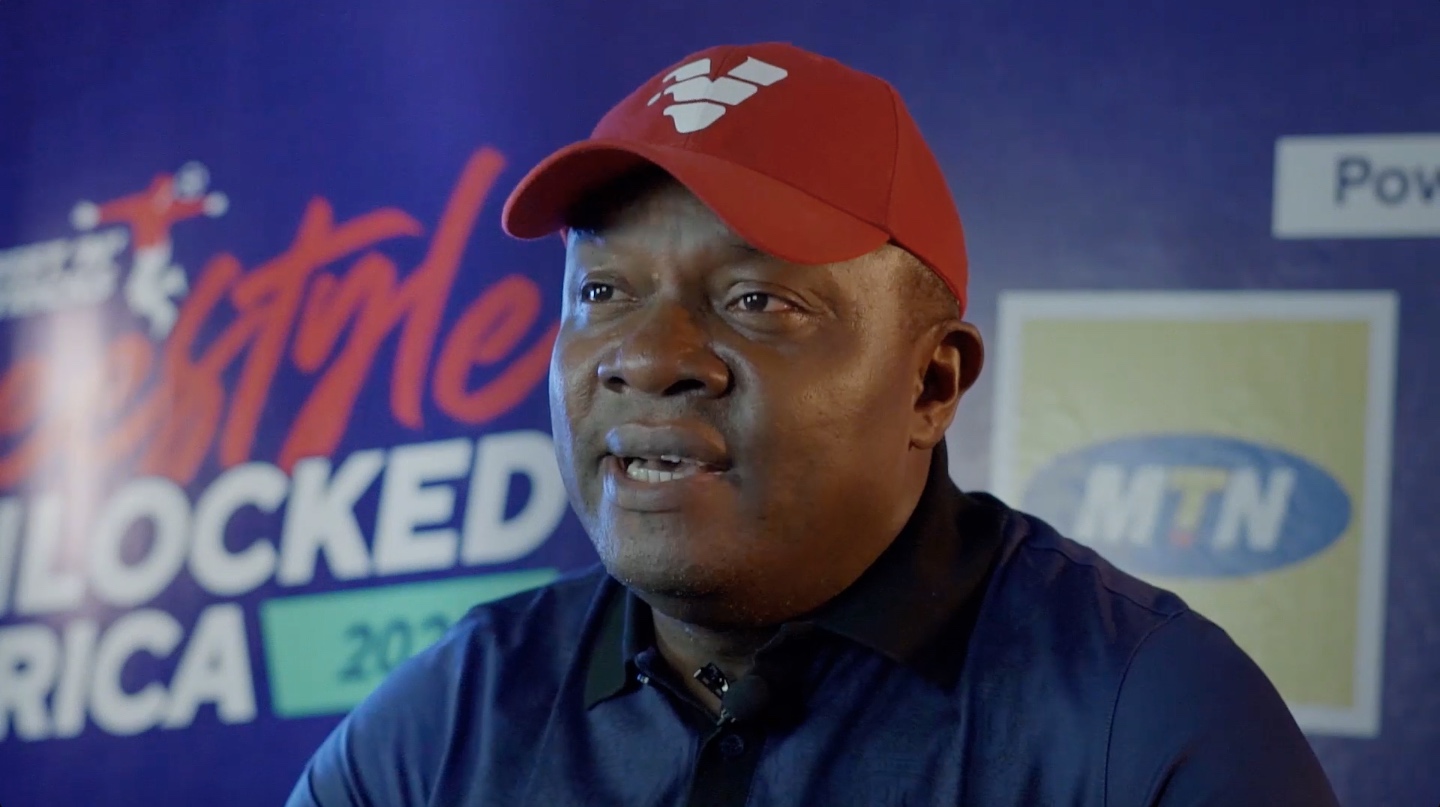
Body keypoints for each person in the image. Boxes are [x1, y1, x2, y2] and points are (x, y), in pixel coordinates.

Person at [286, 41, 1340, 806]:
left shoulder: (1143, 720)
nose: (647, 357)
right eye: (602, 293)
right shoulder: (449, 723)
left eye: (757, 302)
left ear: (932, 384)